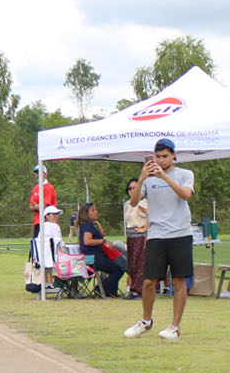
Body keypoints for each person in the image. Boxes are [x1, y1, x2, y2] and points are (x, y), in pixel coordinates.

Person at [124, 138, 195, 340]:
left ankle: (175, 326)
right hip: (156, 235)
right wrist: (142, 177)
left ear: (174, 155)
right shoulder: (148, 178)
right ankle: (146, 321)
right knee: (149, 281)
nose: (161, 160)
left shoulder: (185, 174)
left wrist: (164, 177)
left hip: (180, 233)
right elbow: (134, 201)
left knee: (179, 280)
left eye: (165, 156)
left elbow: (185, 195)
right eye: (158, 156)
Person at [77, 201, 126, 297]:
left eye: (95, 210)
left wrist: (98, 224)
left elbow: (82, 241)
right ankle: (101, 288)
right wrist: (102, 242)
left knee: (115, 267)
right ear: (86, 214)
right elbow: (87, 241)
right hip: (95, 258)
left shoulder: (86, 225)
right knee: (119, 269)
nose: (96, 212)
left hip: (89, 257)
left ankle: (110, 291)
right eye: (93, 210)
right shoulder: (88, 225)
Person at [123, 176, 149, 299]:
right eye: (130, 188)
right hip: (131, 235)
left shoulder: (144, 202)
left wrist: (144, 228)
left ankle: (138, 290)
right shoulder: (128, 204)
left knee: (140, 263)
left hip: (140, 235)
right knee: (131, 263)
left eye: (135, 188)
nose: (132, 191)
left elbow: (153, 216)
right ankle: (132, 288)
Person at [35, 204, 64, 288]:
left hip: (41, 258)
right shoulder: (55, 226)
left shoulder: (41, 227)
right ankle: (52, 282)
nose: (56, 216)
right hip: (53, 257)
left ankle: (46, 281)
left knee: (48, 261)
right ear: (46, 215)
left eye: (57, 214)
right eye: (54, 214)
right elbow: (60, 243)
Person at [29, 164, 57, 239]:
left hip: (47, 221)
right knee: (35, 247)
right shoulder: (35, 188)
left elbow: (44, 206)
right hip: (37, 221)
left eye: (40, 173)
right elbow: (31, 207)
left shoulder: (49, 188)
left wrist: (36, 205)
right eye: (36, 173)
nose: (38, 175)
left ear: (45, 174)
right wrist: (36, 206)